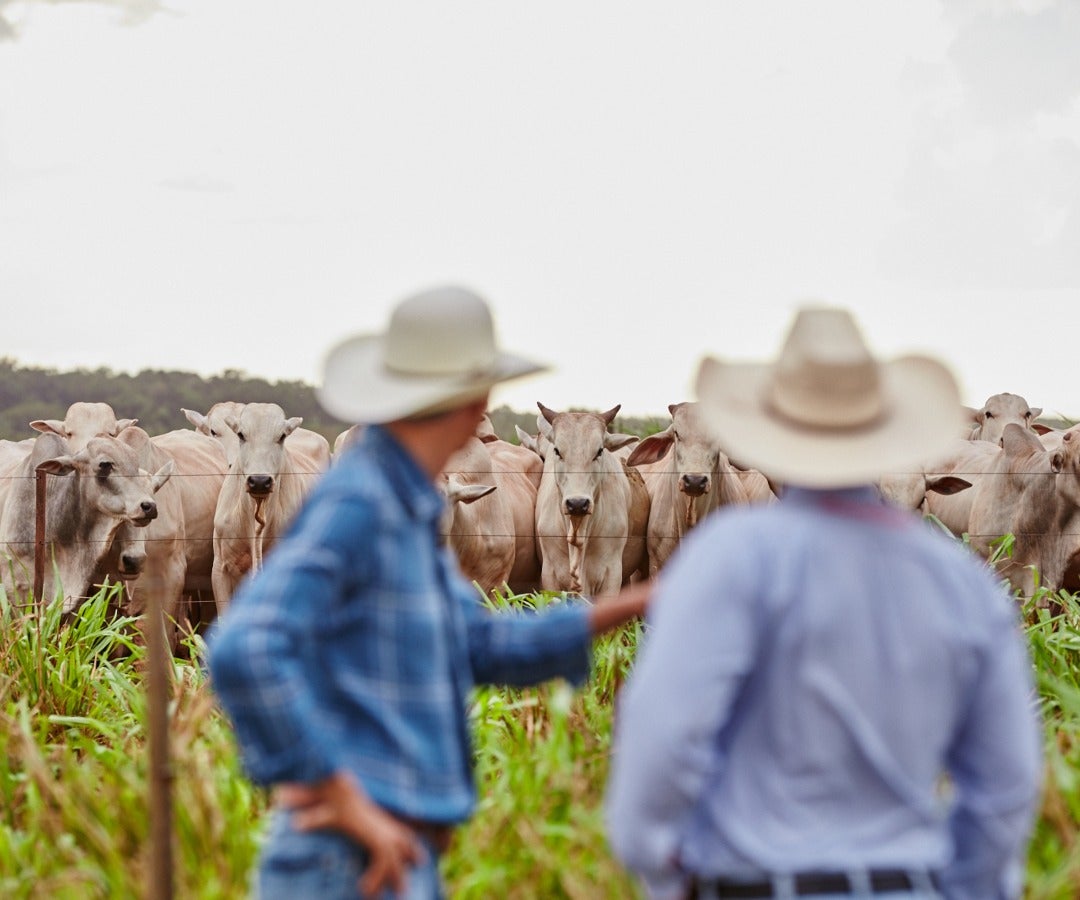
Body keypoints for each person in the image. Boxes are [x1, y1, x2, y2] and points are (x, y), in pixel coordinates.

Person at [206, 284, 650, 900]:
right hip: (349, 859)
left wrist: (639, 601)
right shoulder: (362, 502)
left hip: (393, 855)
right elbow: (241, 648)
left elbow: (479, 642)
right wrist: (336, 794)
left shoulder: (407, 504)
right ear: (475, 405)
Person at [604, 306, 1042, 900]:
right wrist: (964, 885)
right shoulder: (963, 583)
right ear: (886, 434)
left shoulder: (725, 560)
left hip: (750, 884)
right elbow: (1007, 783)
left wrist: (665, 869)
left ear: (772, 433)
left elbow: (661, 736)